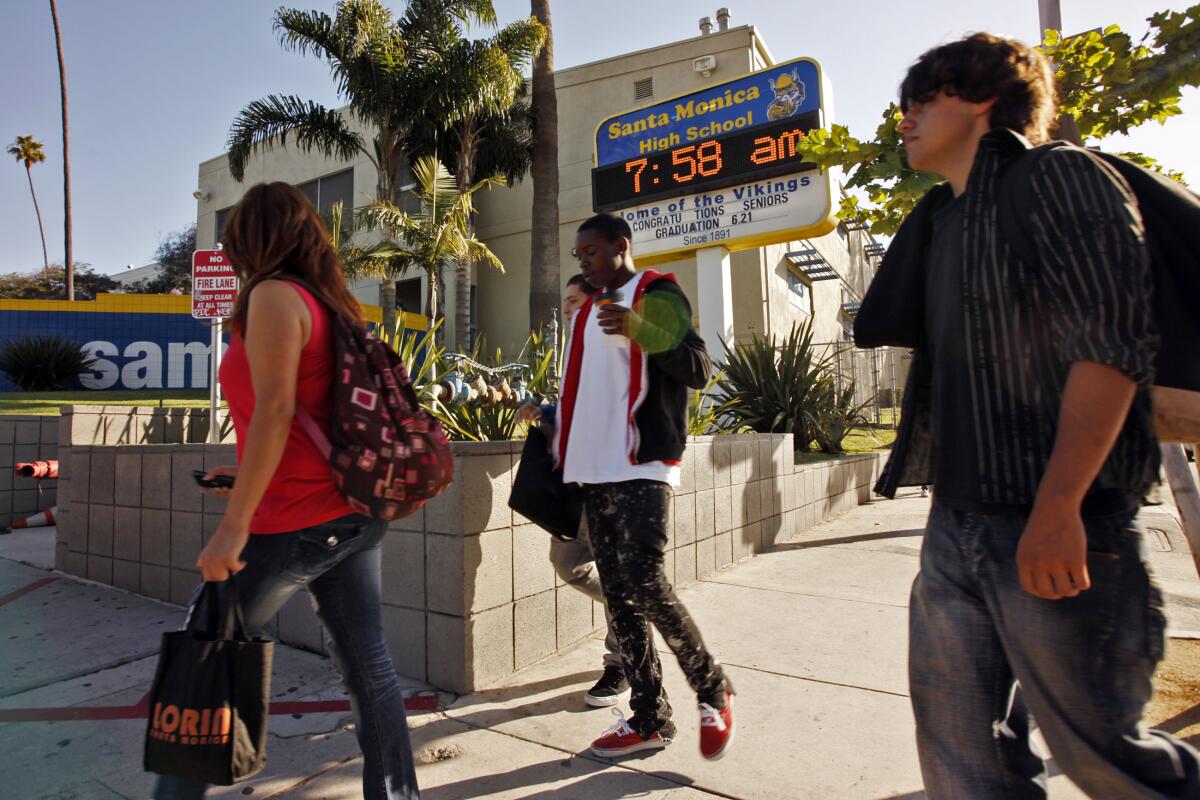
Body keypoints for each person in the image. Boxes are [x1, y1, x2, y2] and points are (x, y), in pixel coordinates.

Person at [856, 33, 1200, 798]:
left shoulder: (1062, 176)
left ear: (982, 98)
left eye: (923, 99)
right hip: (956, 529)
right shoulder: (940, 223)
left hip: (1065, 525)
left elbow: (1110, 348)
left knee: (1108, 763)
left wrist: (1057, 509)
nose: (904, 117)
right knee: (962, 758)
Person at [153, 182, 421, 800]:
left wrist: (235, 525)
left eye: (233, 239)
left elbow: (275, 411)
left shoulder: (274, 295)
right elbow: (300, 419)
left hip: (292, 521)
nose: (229, 252)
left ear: (254, 239)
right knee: (369, 665)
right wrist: (241, 484)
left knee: (205, 654)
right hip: (348, 514)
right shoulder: (331, 304)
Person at [553, 212, 734, 760]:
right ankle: (650, 717)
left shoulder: (656, 292)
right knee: (622, 601)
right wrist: (548, 417)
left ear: (620, 246)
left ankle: (711, 687)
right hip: (596, 467)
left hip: (642, 463)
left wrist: (640, 330)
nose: (582, 260)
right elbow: (592, 391)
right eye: (578, 254)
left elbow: (700, 368)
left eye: (590, 251)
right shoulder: (587, 312)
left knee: (645, 582)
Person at [517, 273, 630, 708]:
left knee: (614, 575)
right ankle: (634, 604)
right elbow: (572, 407)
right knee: (567, 565)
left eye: (574, 301)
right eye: (565, 302)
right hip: (575, 486)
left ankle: (620, 662)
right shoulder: (576, 354)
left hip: (610, 484)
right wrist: (544, 411)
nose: (567, 308)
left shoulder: (612, 348)